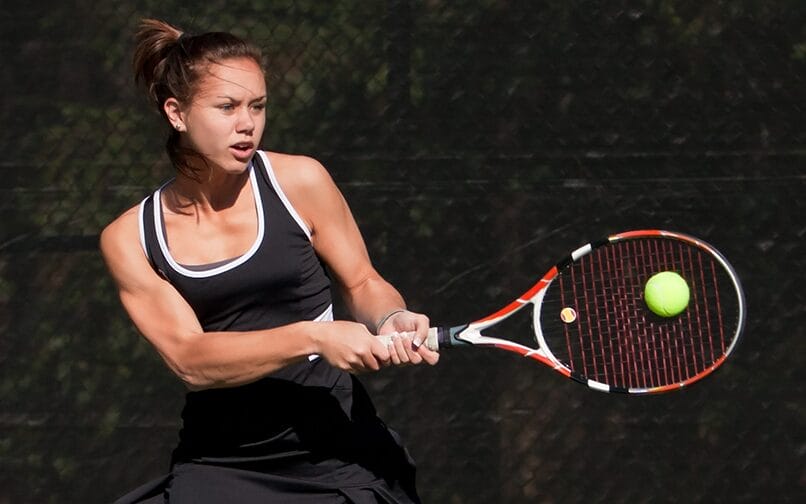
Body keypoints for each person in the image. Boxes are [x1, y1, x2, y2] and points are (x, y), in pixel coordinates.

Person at [100, 18, 439, 504]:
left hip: (338, 452)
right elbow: (190, 359)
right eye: (227, 107)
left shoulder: (301, 180)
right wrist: (315, 336)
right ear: (176, 113)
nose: (247, 123)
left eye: (257, 106)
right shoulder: (129, 238)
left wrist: (391, 317)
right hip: (223, 463)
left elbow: (364, 283)